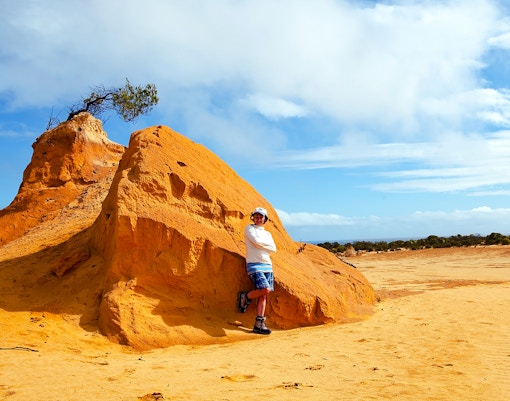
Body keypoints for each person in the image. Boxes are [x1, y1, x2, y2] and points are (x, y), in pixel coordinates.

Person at [237, 207, 277, 335]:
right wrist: (264, 244)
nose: (258, 219)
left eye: (261, 217)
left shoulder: (268, 234)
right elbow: (255, 241)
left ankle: (259, 324)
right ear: (253, 217)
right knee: (265, 289)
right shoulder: (249, 228)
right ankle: (245, 296)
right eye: (256, 216)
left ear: (265, 219)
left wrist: (261, 244)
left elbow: (273, 248)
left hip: (267, 264)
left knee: (264, 294)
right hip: (254, 264)